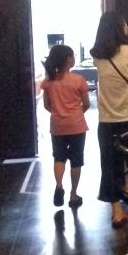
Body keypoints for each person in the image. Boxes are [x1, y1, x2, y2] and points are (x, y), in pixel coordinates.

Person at [90, 11, 128, 228]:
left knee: (110, 166)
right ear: (121, 27)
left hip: (107, 120)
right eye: (125, 24)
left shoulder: (98, 56)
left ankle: (117, 213)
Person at [40, 44, 90, 208]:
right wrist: (76, 114)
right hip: (76, 125)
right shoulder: (78, 80)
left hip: (57, 126)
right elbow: (86, 104)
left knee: (59, 157)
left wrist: (58, 113)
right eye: (73, 55)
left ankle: (59, 185)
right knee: (76, 160)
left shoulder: (48, 82)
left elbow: (46, 105)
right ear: (68, 59)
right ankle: (73, 195)